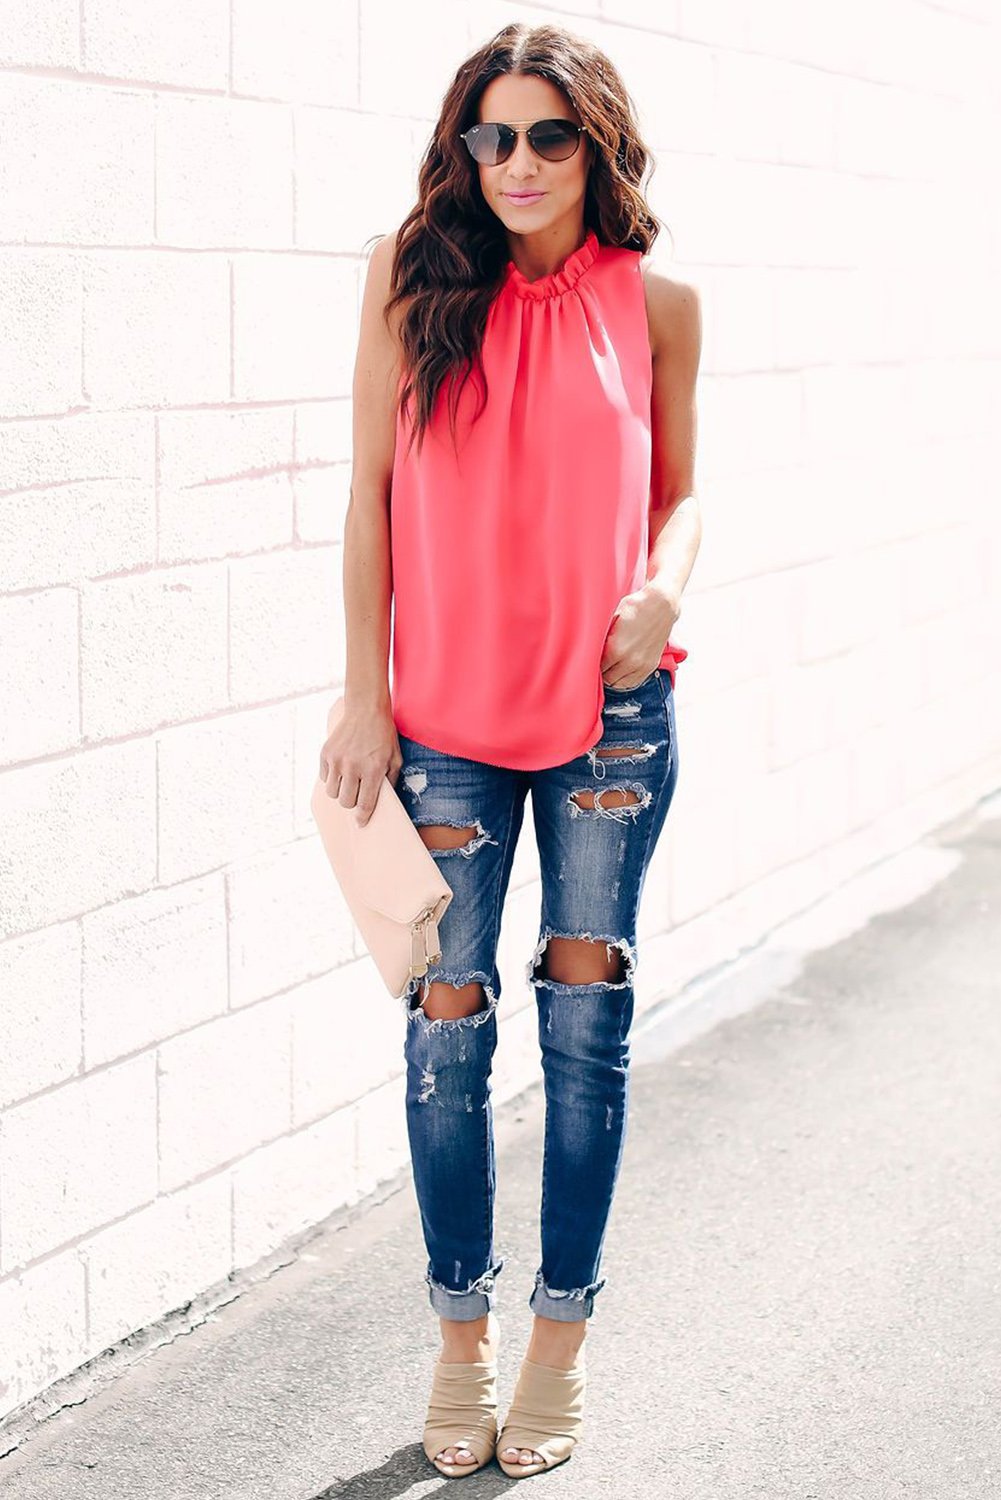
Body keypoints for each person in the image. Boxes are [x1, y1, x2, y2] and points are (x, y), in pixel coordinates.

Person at [318, 20, 702, 1482]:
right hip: (445, 726)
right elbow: (366, 499)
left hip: (611, 713)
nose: (520, 162)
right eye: (494, 135)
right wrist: (365, 693)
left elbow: (684, 490)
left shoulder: (655, 303)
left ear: (592, 145)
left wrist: (667, 586)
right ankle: (458, 1337)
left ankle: (558, 1342)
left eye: (549, 135)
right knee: (445, 1031)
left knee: (584, 1028)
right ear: (460, 146)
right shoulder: (407, 279)